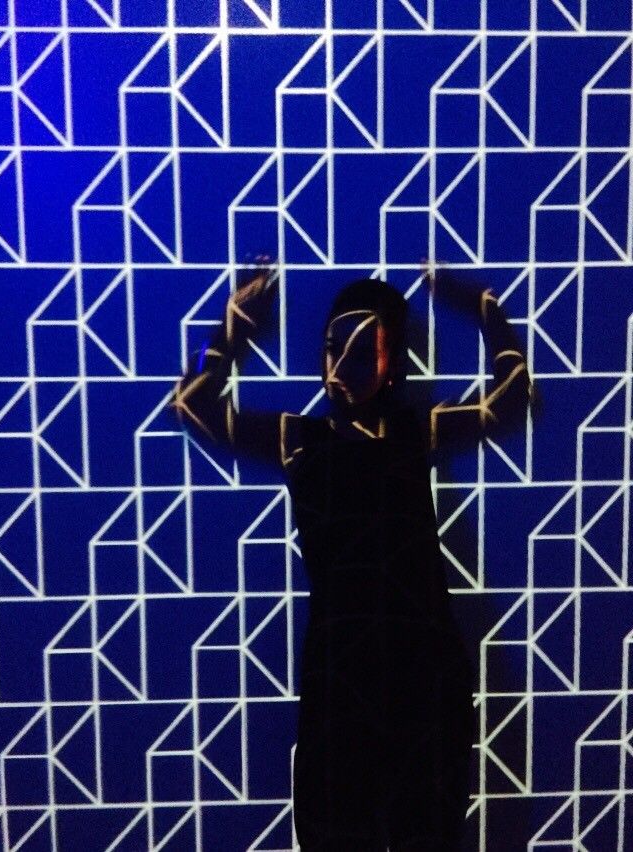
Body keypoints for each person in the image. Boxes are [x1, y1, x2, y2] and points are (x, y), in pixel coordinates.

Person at [171, 259, 538, 850]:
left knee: (426, 834)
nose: (340, 366)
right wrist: (235, 325)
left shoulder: (409, 433)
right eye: (332, 348)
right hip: (345, 679)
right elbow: (191, 407)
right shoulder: (306, 439)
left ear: (393, 367)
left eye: (363, 351)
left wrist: (484, 304)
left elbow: (513, 398)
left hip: (417, 675)